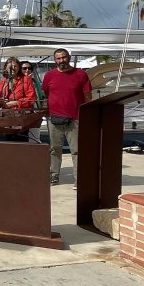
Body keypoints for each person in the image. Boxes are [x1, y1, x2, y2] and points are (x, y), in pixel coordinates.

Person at [42, 48, 91, 186]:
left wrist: (87, 114)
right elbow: (46, 95)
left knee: (76, 150)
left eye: (64, 57)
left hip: (75, 119)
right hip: (54, 119)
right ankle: (54, 175)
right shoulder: (49, 75)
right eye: (58, 58)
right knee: (54, 149)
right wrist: (47, 112)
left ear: (68, 57)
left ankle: (78, 178)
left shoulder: (81, 74)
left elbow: (88, 96)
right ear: (55, 60)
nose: (61, 60)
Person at [0, 56, 37, 142]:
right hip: (6, 116)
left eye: (15, 66)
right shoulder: (3, 81)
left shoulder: (25, 79)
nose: (12, 69)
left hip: (21, 116)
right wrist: (0, 102)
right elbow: (0, 98)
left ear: (19, 68)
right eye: (10, 66)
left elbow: (31, 98)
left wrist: (15, 103)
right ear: (6, 67)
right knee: (6, 141)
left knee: (20, 142)